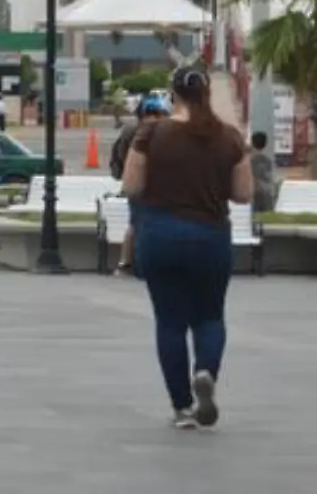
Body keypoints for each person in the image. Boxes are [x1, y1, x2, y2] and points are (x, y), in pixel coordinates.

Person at [122, 64, 253, 430]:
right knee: (210, 316)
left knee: (170, 322)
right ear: (207, 92)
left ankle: (182, 408)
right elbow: (244, 194)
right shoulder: (229, 137)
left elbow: (131, 185)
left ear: (173, 94)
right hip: (210, 237)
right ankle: (206, 370)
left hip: (160, 236)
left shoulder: (151, 132)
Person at [111, 96, 169, 274]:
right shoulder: (160, 132)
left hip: (139, 185)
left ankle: (126, 263)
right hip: (153, 186)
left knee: (136, 223)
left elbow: (118, 157)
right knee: (148, 222)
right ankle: (135, 262)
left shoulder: (131, 130)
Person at [250, 131, 278, 213]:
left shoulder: (251, 161)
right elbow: (270, 177)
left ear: (252, 144)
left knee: (255, 219)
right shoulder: (268, 161)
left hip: (254, 193)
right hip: (267, 193)